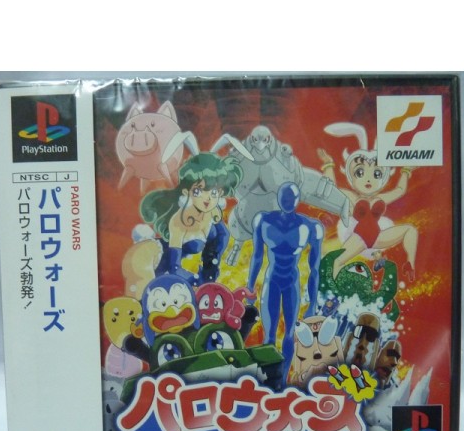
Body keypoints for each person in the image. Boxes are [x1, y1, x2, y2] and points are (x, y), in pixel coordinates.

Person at [122, 153, 243, 298]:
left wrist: (210, 270)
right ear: (187, 191)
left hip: (188, 273)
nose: (208, 198)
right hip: (159, 265)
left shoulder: (213, 211)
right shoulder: (178, 222)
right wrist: (199, 281)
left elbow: (222, 236)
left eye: (214, 191)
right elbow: (174, 267)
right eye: (198, 191)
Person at [318, 122, 418, 281]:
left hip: (378, 237)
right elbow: (332, 189)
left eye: (376, 174)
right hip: (360, 238)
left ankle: (409, 265)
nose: (369, 179)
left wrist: (406, 171)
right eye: (360, 172)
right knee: (337, 262)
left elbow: (399, 190)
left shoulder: (380, 198)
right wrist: (328, 165)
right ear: (351, 176)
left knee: (410, 230)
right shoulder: (352, 197)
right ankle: (336, 287)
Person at [248, 182, 323, 386]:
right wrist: (249, 287)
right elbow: (257, 257)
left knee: (289, 334)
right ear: (278, 198)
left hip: (291, 283)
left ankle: (281, 380)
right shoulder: (264, 221)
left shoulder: (310, 227)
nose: (288, 202)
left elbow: (315, 270)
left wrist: (313, 303)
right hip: (271, 281)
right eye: (285, 197)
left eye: (292, 198)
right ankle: (267, 380)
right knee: (269, 336)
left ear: (298, 201)